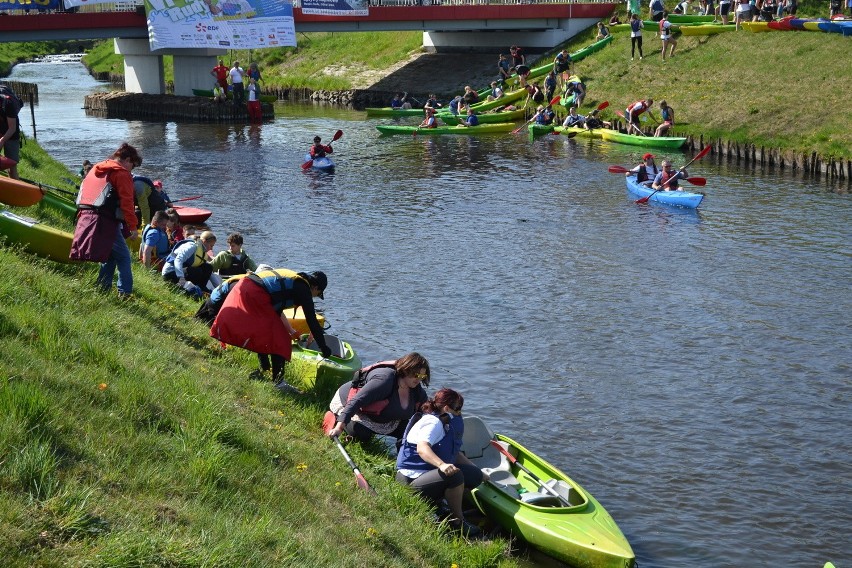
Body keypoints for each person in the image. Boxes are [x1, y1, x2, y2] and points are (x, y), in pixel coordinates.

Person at [210, 269, 331, 386]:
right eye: (318, 294)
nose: (314, 297)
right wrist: (323, 347)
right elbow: (311, 320)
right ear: (315, 288)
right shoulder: (303, 289)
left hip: (246, 286)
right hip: (254, 292)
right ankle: (279, 383)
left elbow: (276, 309)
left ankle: (266, 369)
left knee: (264, 333)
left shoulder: (296, 281)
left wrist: (291, 331)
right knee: (281, 339)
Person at [395, 388, 488, 538]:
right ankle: (457, 522)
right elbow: (422, 449)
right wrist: (442, 465)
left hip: (425, 476)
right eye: (457, 408)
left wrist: (479, 471)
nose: (460, 412)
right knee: (455, 476)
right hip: (410, 482)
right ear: (446, 408)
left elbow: (454, 453)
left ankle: (443, 503)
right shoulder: (432, 423)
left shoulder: (444, 420)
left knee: (474, 475)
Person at [69, 143, 141, 297]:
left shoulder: (97, 168)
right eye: (133, 166)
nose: (131, 170)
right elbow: (127, 203)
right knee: (123, 257)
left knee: (110, 255)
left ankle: (103, 288)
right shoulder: (121, 173)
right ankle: (125, 293)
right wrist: (133, 227)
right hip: (105, 221)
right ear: (127, 160)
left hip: (86, 216)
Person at [326, 353, 430, 443]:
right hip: (352, 405)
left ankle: (403, 459)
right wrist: (338, 429)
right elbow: (356, 401)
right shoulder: (384, 380)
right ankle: (337, 419)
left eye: (422, 377)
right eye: (416, 375)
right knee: (362, 434)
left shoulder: (417, 391)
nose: (419, 379)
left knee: (410, 432)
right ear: (406, 370)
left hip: (385, 418)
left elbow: (429, 414)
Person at [162, 231, 217, 295]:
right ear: (204, 241)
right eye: (211, 245)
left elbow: (210, 273)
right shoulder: (192, 246)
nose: (211, 248)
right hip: (170, 272)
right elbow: (178, 260)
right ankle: (189, 290)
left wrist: (218, 288)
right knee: (197, 271)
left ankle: (202, 288)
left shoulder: (202, 251)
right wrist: (181, 278)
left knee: (208, 267)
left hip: (182, 271)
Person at [0, 83, 22, 180]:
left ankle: (17, 192)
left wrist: (2, 140)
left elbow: (12, 128)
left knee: (12, 168)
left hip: (11, 134)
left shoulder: (7, 103)